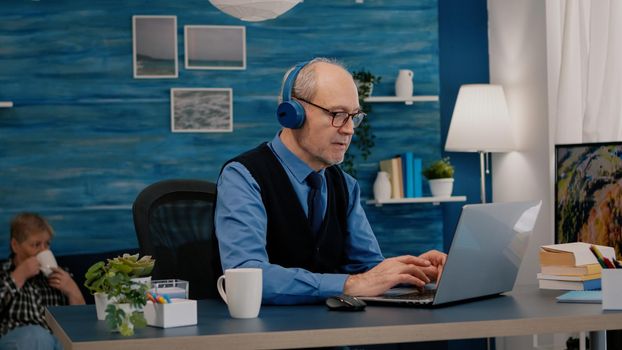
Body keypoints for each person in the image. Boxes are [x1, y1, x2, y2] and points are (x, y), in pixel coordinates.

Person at [215, 57, 446, 305]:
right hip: (265, 335)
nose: (349, 130)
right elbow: (246, 275)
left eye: (354, 116)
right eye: (338, 114)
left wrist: (415, 271)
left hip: (333, 332)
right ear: (292, 114)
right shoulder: (243, 176)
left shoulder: (346, 185)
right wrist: (349, 284)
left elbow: (368, 268)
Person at [0, 213, 85, 350]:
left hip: (54, 342)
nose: (44, 250)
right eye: (36, 245)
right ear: (15, 245)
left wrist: (72, 290)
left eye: (47, 244)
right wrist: (17, 278)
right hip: (15, 340)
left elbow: (81, 327)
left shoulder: (59, 276)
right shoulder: (3, 274)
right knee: (37, 336)